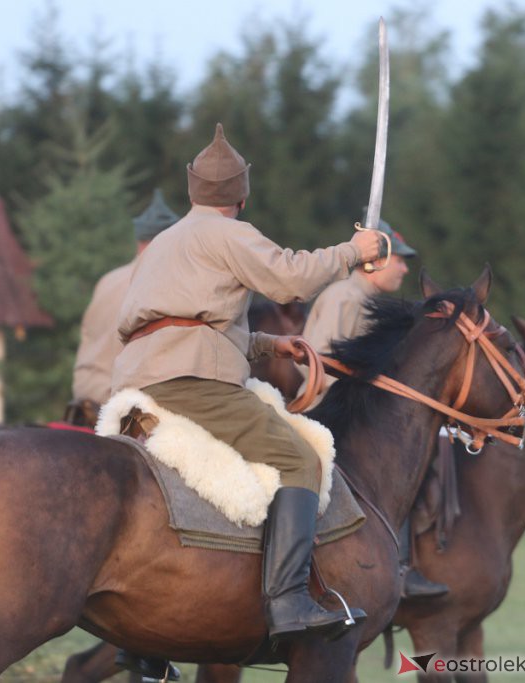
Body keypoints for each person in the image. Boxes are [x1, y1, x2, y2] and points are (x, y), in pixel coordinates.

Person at [111, 123, 382, 649]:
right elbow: (292, 279)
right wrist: (353, 250)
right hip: (194, 383)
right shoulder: (230, 233)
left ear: (193, 190)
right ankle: (288, 602)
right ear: (242, 192)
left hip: (139, 380)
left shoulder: (165, 242)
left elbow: (185, 318)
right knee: (302, 460)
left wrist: (265, 345)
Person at [300, 215, 449, 600]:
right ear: (374, 261)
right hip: (333, 418)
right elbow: (324, 363)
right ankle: (394, 567)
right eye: (398, 258)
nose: (404, 266)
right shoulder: (345, 298)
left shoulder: (359, 299)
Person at [65, 190, 179, 428]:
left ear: (140, 240)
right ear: (169, 241)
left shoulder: (107, 280)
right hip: (119, 398)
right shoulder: (164, 284)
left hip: (84, 390)